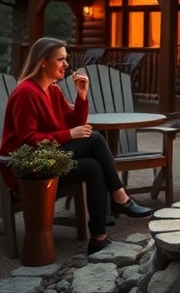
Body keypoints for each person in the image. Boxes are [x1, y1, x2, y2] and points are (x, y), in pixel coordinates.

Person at [0, 38, 153, 256]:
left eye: (66, 59)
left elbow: (75, 123)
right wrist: (69, 135)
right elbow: (28, 139)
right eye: (60, 59)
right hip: (27, 168)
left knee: (93, 167)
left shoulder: (52, 90)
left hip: (49, 159)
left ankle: (99, 239)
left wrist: (81, 95)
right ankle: (120, 198)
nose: (66, 64)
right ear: (43, 62)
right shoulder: (26, 92)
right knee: (96, 140)